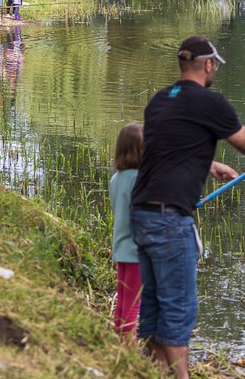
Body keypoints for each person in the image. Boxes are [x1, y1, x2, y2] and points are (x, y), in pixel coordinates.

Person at [130, 35, 245, 378]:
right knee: (178, 311)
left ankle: (155, 371)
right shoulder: (211, 102)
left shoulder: (160, 101)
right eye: (215, 65)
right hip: (169, 219)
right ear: (208, 64)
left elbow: (164, 148)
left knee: (151, 309)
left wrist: (210, 166)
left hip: (141, 213)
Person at [110, 123, 144, 342]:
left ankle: (120, 342)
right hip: (136, 251)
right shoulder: (140, 179)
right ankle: (127, 351)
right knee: (133, 305)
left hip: (120, 248)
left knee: (123, 301)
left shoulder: (116, 179)